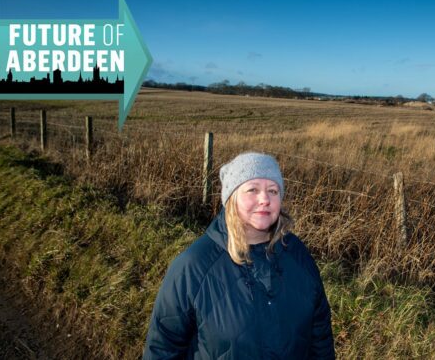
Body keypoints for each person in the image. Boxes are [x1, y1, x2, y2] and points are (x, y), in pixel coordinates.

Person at [143, 152, 335, 359]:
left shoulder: (298, 255)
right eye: (252, 189)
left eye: (273, 190)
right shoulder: (193, 266)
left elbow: (320, 337)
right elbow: (163, 348)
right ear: (231, 198)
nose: (264, 199)